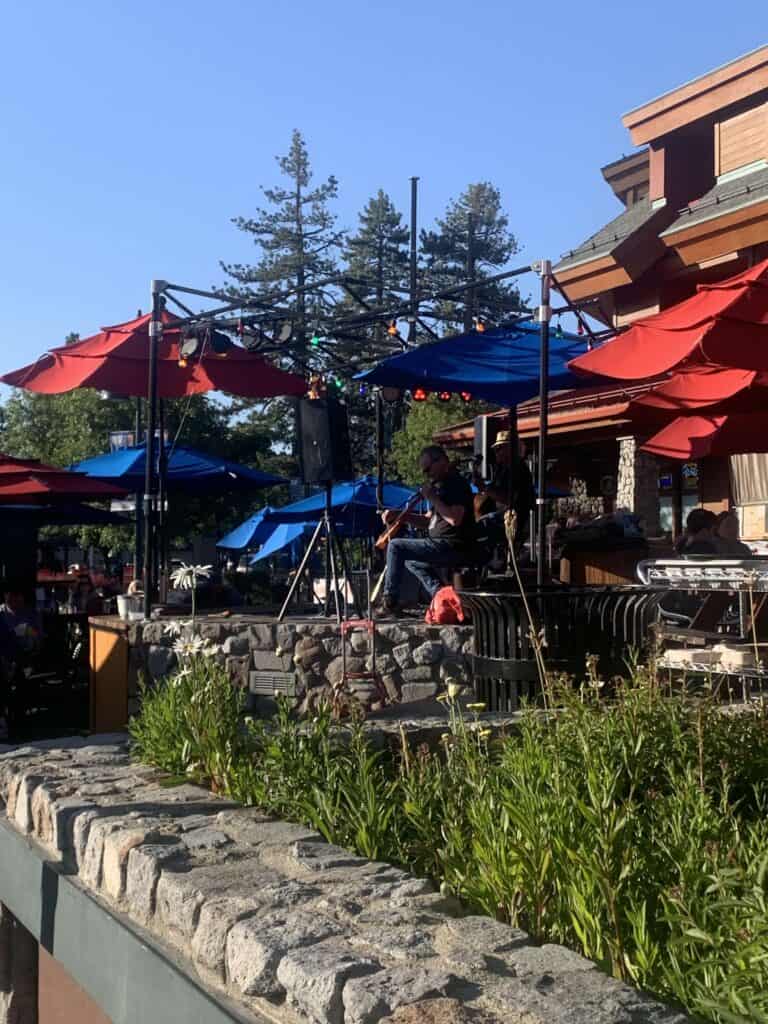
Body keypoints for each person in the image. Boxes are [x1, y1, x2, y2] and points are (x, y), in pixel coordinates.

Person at [378, 446, 475, 615]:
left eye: (428, 469)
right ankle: (442, 595)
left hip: (452, 545)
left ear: (442, 461)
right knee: (410, 560)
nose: (426, 474)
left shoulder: (456, 484)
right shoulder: (442, 487)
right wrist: (402, 516)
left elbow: (454, 518)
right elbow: (428, 520)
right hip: (439, 543)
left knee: (396, 546)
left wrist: (432, 497)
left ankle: (390, 600)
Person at [472, 431, 535, 553]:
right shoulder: (501, 469)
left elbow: (509, 499)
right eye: (496, 448)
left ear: (511, 449)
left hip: (511, 521)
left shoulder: (518, 469)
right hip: (499, 517)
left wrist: (485, 488)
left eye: (500, 448)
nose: (496, 452)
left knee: (472, 530)